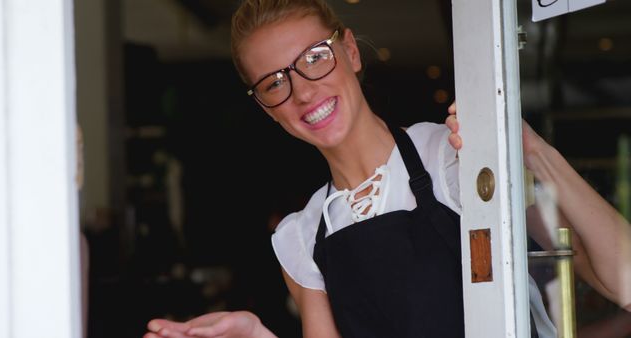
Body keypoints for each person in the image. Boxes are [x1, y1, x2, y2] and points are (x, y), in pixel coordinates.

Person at [143, 1, 631, 337]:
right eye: (275, 83)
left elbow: (623, 281)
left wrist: (529, 147)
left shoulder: (453, 158)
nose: (305, 91)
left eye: (315, 58)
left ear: (350, 52)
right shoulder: (303, 237)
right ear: (267, 109)